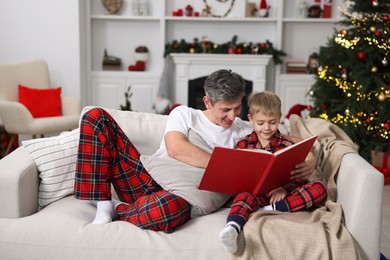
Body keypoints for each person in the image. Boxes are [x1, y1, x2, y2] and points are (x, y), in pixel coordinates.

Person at [74, 69, 316, 233]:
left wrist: (312, 157)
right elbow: (176, 148)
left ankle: (121, 210)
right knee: (95, 116)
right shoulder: (185, 114)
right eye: (225, 109)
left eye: (237, 107)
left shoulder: (245, 129)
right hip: (144, 180)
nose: (232, 116)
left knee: (167, 212)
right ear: (208, 102)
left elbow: (292, 141)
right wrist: (225, 165)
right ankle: (104, 203)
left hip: (179, 198)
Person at [219, 91, 327, 253]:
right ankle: (233, 228)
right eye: (261, 123)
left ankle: (268, 211)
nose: (267, 128)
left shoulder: (287, 145)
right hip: (255, 196)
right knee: (242, 197)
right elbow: (238, 176)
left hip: (281, 197)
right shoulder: (243, 144)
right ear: (250, 119)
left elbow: (297, 175)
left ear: (280, 117)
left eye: (273, 122)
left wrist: (283, 188)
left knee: (319, 188)